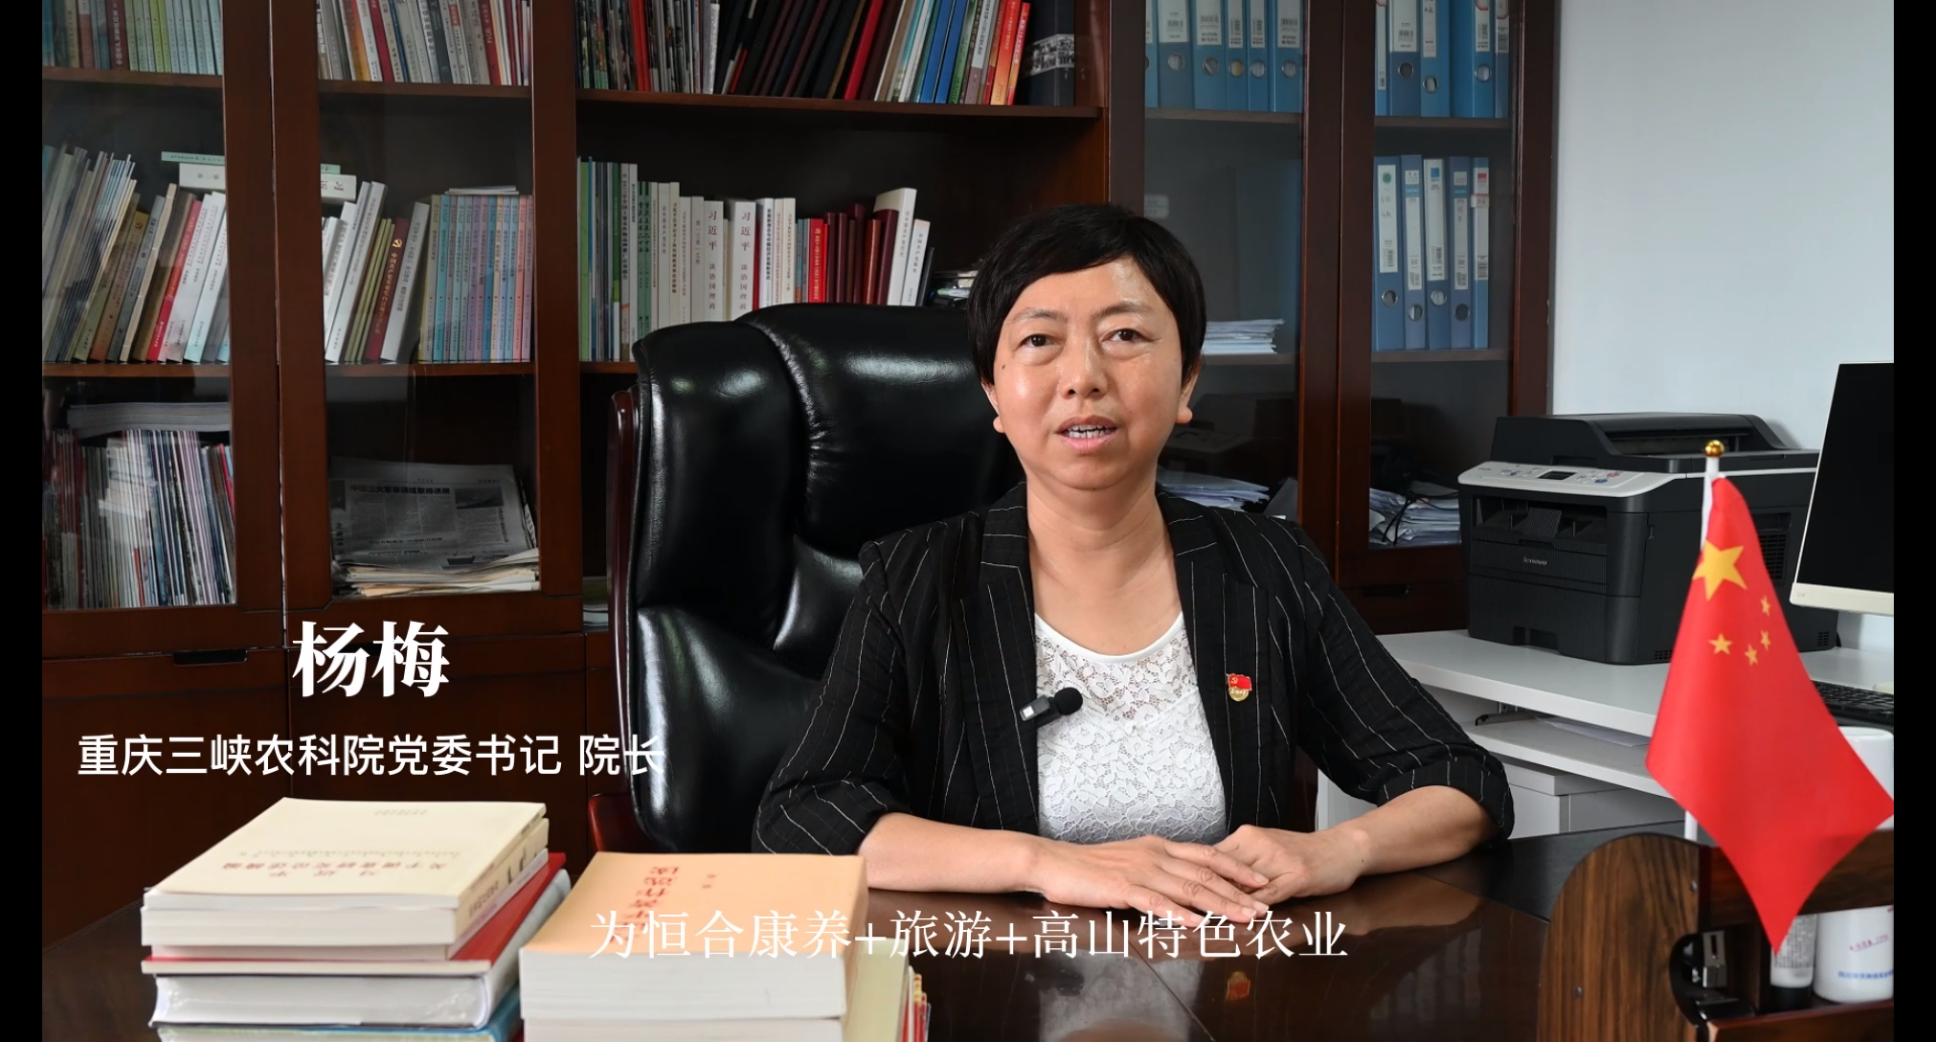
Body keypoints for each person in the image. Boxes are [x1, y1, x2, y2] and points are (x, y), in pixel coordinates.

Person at [754, 203, 1510, 927]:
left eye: (1124, 335)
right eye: (1040, 341)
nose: (1083, 376)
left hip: (1232, 977)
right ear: (993, 391)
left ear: (1187, 381)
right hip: (998, 984)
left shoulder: (1268, 568)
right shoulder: (917, 579)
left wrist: (1341, 849)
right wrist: (1045, 864)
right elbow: (805, 816)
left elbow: (1460, 780)